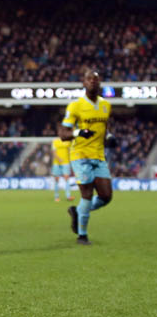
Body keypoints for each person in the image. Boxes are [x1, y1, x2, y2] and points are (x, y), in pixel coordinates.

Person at [58, 70, 113, 245]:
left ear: (99, 83)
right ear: (83, 83)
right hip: (80, 155)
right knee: (87, 194)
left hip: (98, 155)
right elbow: (63, 133)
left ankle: (77, 211)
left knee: (106, 196)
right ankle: (82, 235)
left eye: (96, 80)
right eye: (89, 79)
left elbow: (104, 127)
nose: (93, 82)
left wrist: (110, 138)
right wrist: (79, 132)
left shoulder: (106, 105)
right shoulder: (75, 106)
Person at [51, 137, 74, 202]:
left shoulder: (68, 141)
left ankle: (68, 196)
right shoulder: (55, 141)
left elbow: (70, 151)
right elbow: (53, 152)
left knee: (67, 178)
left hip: (66, 162)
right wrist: (58, 159)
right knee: (56, 179)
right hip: (56, 163)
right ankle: (56, 196)